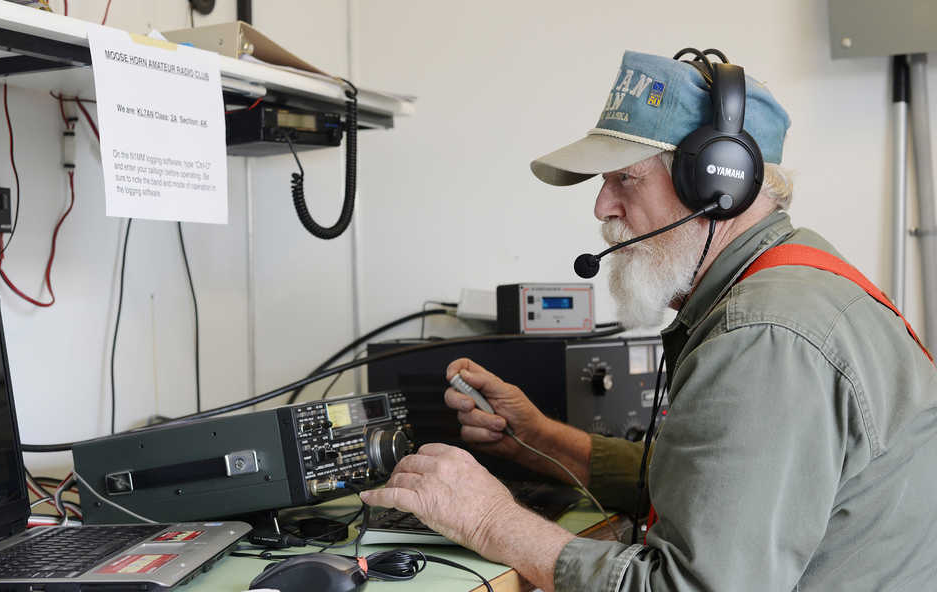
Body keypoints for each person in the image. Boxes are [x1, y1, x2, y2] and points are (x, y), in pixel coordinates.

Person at [360, 49, 937, 591]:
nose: (601, 206)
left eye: (623, 179)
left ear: (716, 183)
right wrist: (538, 439)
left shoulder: (763, 335)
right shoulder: (797, 280)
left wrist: (489, 520)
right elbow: (711, 485)